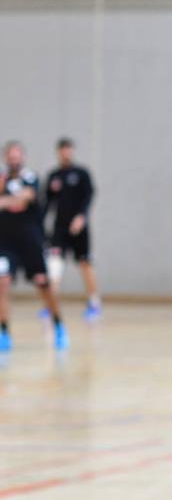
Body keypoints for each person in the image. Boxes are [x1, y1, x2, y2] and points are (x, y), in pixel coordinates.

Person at [0, 141, 68, 350]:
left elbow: (24, 199)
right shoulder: (2, 178)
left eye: (17, 155)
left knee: (43, 283)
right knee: (3, 281)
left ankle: (58, 324)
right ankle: (4, 332)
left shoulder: (31, 178)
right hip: (5, 242)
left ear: (23, 157)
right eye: (10, 155)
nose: (14, 159)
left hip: (30, 241)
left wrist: (7, 200)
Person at [44, 137, 102, 320]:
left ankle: (94, 302)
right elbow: (47, 204)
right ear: (58, 152)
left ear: (72, 151)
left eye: (68, 149)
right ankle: (51, 304)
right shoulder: (54, 176)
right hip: (60, 229)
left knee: (85, 263)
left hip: (79, 228)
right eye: (62, 150)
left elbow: (89, 196)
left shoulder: (81, 173)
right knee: (55, 264)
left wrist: (82, 217)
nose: (65, 153)